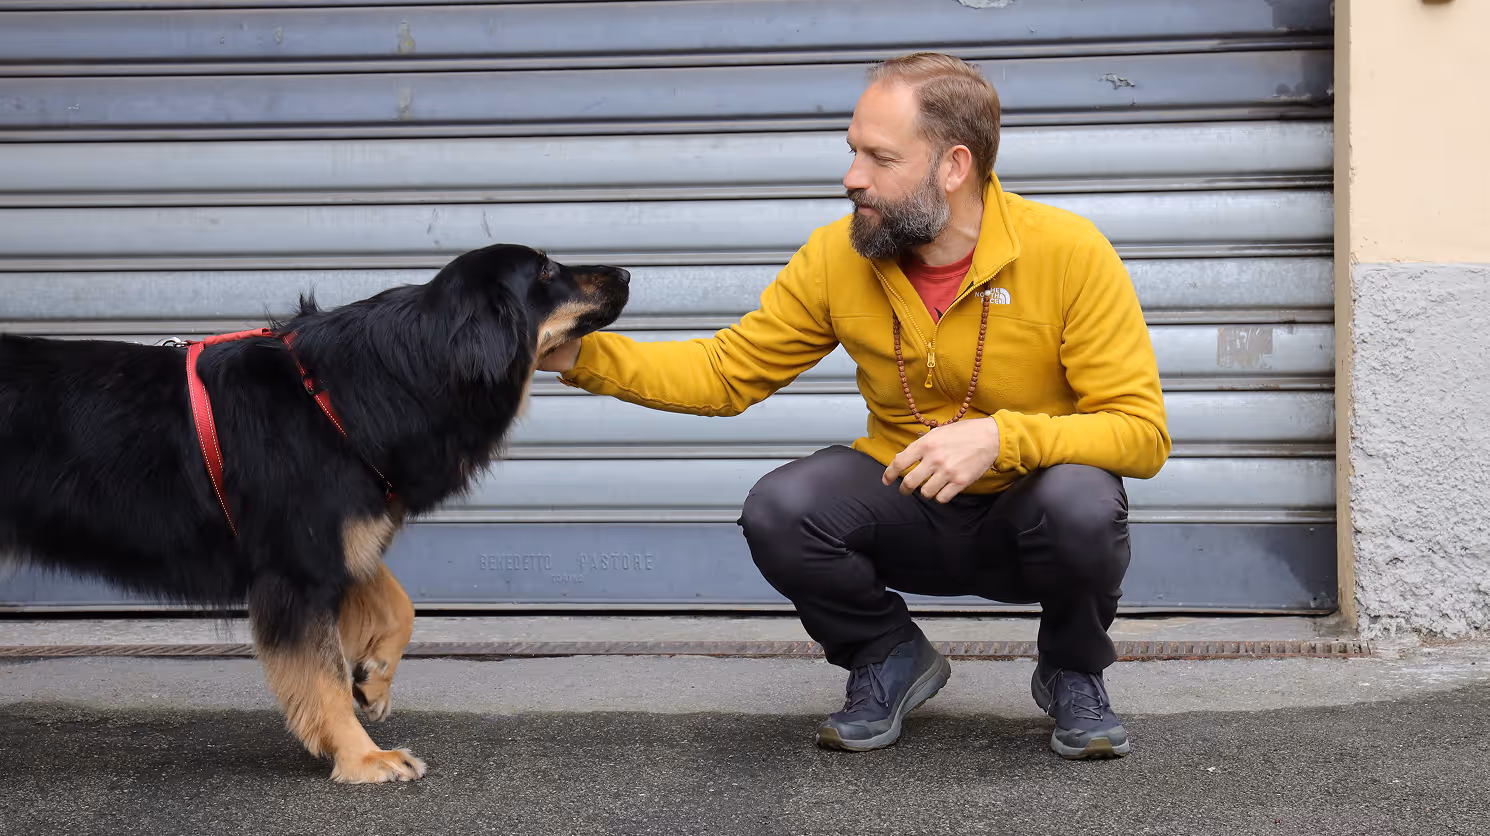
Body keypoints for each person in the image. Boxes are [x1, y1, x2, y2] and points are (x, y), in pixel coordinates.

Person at [539, 52, 1169, 760]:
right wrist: (578, 354)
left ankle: (1072, 669)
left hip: (1028, 521)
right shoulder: (837, 256)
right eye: (853, 150)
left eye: (880, 158)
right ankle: (887, 654)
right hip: (906, 505)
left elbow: (1140, 432)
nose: (852, 177)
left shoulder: (1069, 252)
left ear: (954, 166)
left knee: (1083, 501)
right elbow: (724, 372)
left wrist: (1001, 438)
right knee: (781, 508)